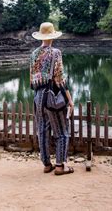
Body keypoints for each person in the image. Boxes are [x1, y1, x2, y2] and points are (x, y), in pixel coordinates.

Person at [30, 22, 74, 175]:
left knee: (42, 130)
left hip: (37, 96)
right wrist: (69, 99)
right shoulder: (55, 53)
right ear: (52, 36)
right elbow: (59, 79)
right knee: (61, 131)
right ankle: (61, 166)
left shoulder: (34, 54)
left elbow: (31, 80)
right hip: (52, 96)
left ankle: (47, 164)